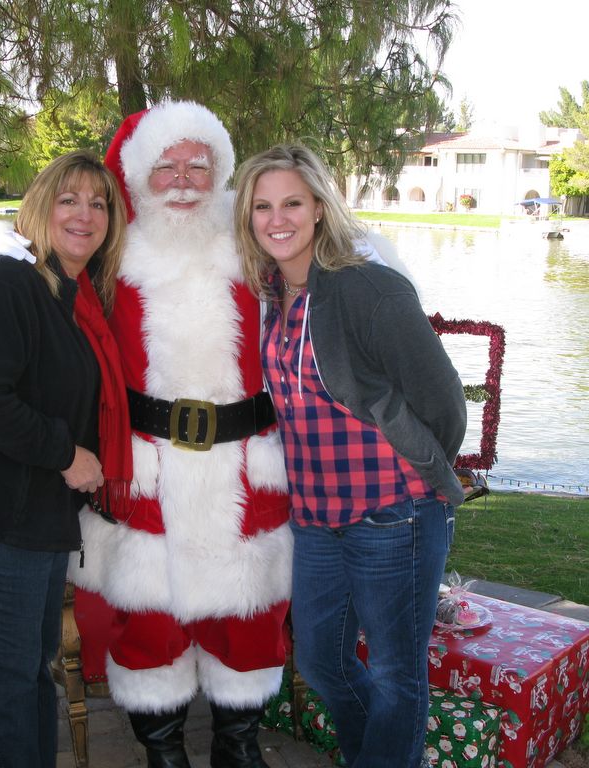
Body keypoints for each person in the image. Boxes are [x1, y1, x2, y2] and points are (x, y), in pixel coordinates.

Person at [0, 101, 292, 768]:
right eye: (165, 166)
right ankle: (163, 753)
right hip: (146, 465)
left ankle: (239, 747)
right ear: (140, 177)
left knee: (249, 618)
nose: (181, 179)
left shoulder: (254, 239)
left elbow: (319, 252)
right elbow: (38, 275)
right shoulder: (113, 251)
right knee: (151, 621)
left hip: (244, 464)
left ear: (220, 170)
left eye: (197, 165)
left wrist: (365, 251)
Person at [233, 143, 467, 768]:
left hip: (393, 512)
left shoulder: (369, 289)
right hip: (316, 518)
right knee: (320, 661)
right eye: (262, 206)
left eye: (291, 203)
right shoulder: (270, 295)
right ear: (247, 217)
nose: (276, 219)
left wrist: (422, 471)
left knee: (395, 673)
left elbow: (444, 400)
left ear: (318, 209)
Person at [0, 150, 129, 768]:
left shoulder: (71, 292)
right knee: (9, 681)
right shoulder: (8, 284)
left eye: (98, 203)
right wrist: (68, 455)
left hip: (34, 518)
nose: (84, 214)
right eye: (69, 199)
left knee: (32, 672)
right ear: (40, 207)